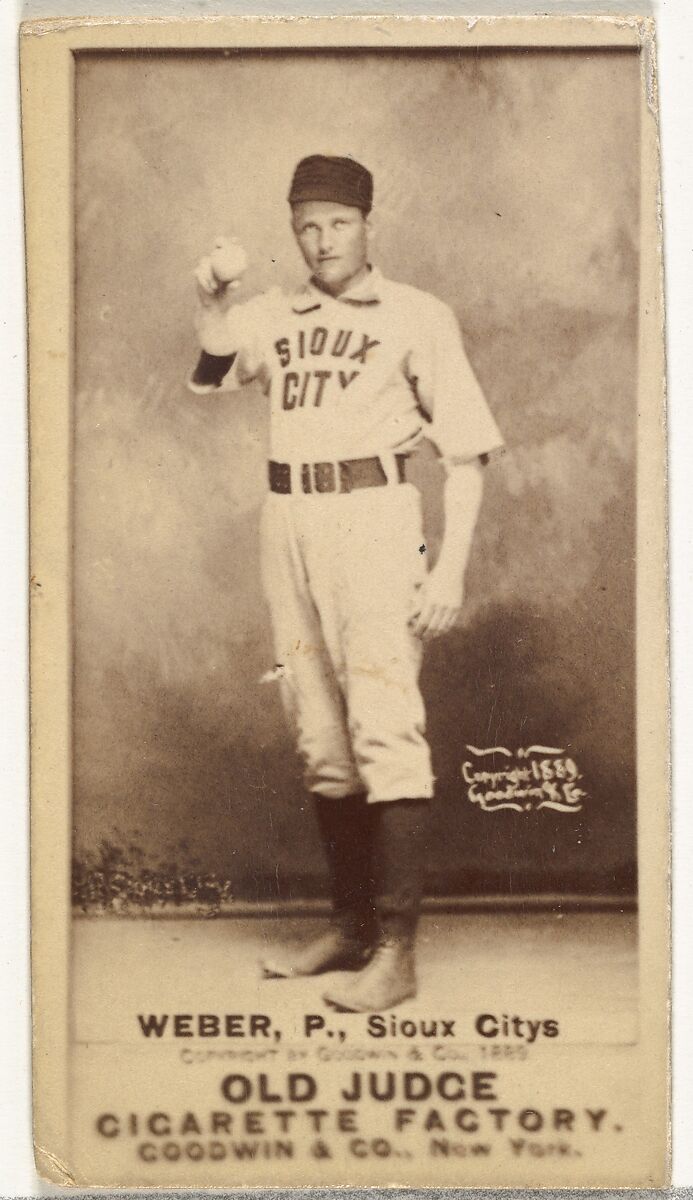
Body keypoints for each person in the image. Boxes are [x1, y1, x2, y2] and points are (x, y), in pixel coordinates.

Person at [188, 154, 503, 1012]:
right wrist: (213, 297)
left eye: (336, 223)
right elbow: (214, 371)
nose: (321, 241)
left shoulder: (415, 315)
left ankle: (395, 955)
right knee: (320, 737)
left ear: (367, 224)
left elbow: (467, 454)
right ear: (293, 233)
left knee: (383, 727)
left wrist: (449, 569)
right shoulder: (273, 313)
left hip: (372, 520)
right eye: (306, 227)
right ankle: (350, 929)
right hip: (286, 523)